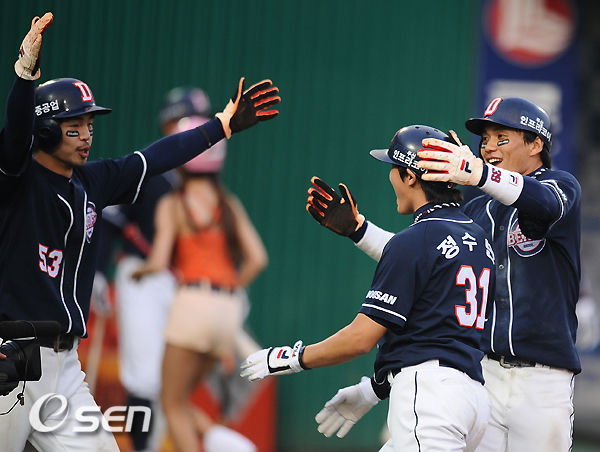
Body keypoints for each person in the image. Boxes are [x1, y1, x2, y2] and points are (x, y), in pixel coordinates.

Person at [0, 12, 280, 452]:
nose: (87, 134)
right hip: (11, 357)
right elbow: (16, 134)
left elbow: (155, 157)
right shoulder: (16, 179)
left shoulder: (92, 181)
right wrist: (24, 77)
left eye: (91, 124)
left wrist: (221, 126)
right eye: (76, 125)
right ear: (47, 129)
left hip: (65, 365)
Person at [312, 98, 581, 452]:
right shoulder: (478, 207)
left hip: (542, 380)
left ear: (535, 144)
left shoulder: (561, 186)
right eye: (485, 139)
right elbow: (424, 257)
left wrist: (479, 174)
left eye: (501, 137)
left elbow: (544, 203)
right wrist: (360, 231)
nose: (488, 147)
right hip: (484, 373)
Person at [241, 125, 495, 452]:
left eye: (393, 167)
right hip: (473, 398)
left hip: (431, 396)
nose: (390, 176)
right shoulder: (477, 238)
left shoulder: (415, 239)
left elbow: (360, 339)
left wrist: (293, 358)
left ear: (410, 176)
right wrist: (374, 389)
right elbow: (434, 328)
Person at [96, 86, 263, 452]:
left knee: (164, 396)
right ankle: (227, 444)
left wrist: (136, 273)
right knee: (172, 394)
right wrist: (229, 290)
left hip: (184, 295)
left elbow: (157, 261)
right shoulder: (224, 200)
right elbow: (257, 258)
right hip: (223, 305)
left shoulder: (174, 201)